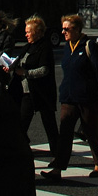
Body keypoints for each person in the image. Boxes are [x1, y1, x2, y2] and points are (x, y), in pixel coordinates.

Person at [41, 14, 98, 181]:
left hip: (87, 98)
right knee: (65, 133)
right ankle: (58, 168)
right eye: (63, 28)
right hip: (68, 97)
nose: (63, 32)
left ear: (77, 29)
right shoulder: (67, 46)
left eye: (67, 29)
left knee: (91, 132)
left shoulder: (89, 45)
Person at [15, 16, 59, 152]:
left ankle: (57, 152)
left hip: (41, 91)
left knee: (49, 123)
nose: (26, 34)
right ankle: (22, 148)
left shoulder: (44, 47)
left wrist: (25, 73)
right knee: (21, 123)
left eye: (28, 31)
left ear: (37, 32)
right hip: (27, 91)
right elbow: (19, 61)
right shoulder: (28, 46)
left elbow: (44, 70)